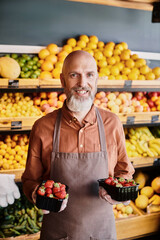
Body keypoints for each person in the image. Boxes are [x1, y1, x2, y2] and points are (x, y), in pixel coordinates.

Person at [22, 50, 135, 240]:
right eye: (74, 75)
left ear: (97, 79)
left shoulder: (112, 123)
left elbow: (124, 172)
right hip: (57, 233)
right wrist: (36, 194)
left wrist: (120, 194)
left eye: (89, 75)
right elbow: (29, 180)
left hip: (102, 232)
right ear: (62, 81)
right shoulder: (42, 127)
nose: (82, 83)